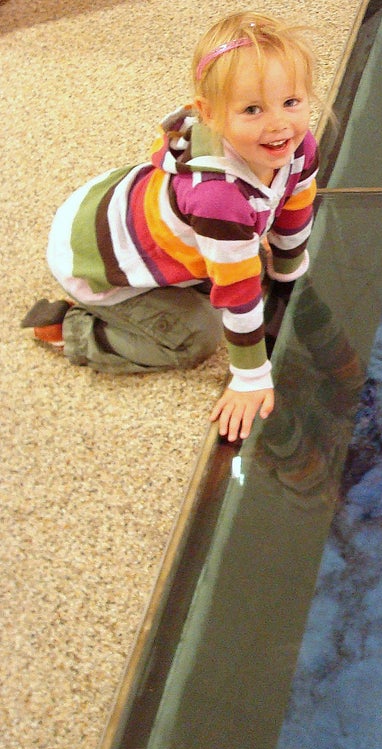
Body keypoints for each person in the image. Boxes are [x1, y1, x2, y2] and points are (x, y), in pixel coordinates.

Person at [22, 11, 327, 442]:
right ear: (208, 113)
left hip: (118, 214)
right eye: (252, 109)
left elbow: (295, 204)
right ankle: (71, 329)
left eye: (291, 102)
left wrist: (289, 268)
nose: (279, 124)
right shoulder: (217, 197)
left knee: (248, 267)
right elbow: (237, 294)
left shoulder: (298, 146)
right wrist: (250, 376)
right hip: (97, 264)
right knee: (196, 338)